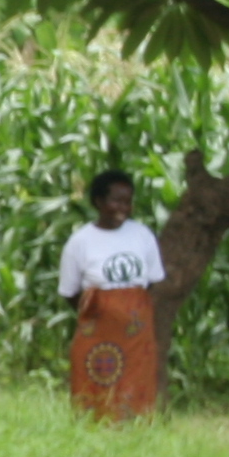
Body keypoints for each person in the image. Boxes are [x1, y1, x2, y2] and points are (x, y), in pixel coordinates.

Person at [57, 167, 166, 423]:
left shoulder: (142, 235)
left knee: (137, 380)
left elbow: (151, 281)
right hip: (97, 332)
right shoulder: (80, 242)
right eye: (116, 200)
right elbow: (69, 292)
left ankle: (136, 428)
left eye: (128, 201)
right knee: (95, 383)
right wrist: (101, 312)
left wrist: (128, 308)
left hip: (136, 333)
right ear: (98, 202)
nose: (124, 208)